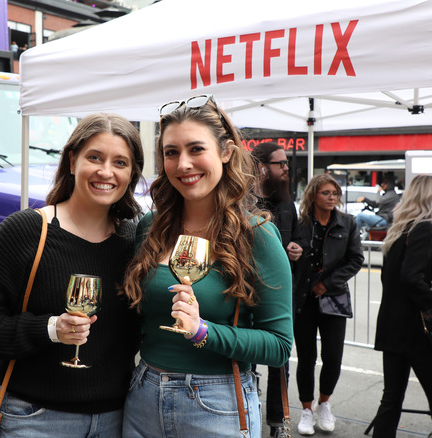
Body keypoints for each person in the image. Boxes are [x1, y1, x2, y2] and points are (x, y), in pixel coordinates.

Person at [0, 113, 144, 437]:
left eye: (120, 162)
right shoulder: (26, 231)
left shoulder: (134, 243)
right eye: (95, 157)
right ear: (72, 161)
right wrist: (50, 329)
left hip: (117, 420)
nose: (106, 171)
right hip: (34, 420)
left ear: (132, 173)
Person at [120, 95, 292, 438]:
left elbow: (279, 346)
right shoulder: (151, 227)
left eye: (196, 149)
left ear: (225, 152)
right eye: (171, 152)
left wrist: (204, 332)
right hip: (142, 395)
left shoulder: (257, 235)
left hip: (217, 403)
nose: (183, 164)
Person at [372, 174, 432, 438]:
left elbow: (393, 277)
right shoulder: (423, 228)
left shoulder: (401, 228)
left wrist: (424, 279)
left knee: (391, 400)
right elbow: (409, 279)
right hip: (416, 331)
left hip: (392, 327)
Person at [292, 174, 363, 435]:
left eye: (335, 193)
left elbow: (356, 259)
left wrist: (329, 282)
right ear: (313, 195)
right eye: (326, 192)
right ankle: (306, 409)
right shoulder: (300, 224)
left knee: (333, 357)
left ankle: (324, 403)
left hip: (333, 297)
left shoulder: (347, 223)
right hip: (303, 299)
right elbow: (289, 256)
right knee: (306, 358)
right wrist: (292, 254)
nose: (332, 197)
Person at [251, 142, 302, 437]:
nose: (285, 169)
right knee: (249, 357)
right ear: (261, 167)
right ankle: (250, 412)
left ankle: (278, 422)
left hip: (282, 293)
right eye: (280, 164)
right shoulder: (244, 202)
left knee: (280, 361)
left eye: (286, 164)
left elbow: (296, 238)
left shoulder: (286, 202)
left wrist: (297, 248)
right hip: (248, 292)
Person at [355, 175, 399, 239]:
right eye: (382, 183)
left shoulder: (392, 194)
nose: (382, 185)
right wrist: (365, 199)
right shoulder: (387, 194)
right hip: (381, 218)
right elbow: (375, 204)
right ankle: (368, 242)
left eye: (385, 183)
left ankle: (354, 238)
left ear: (389, 185)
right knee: (368, 225)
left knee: (359, 216)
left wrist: (378, 191)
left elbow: (378, 201)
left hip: (384, 219)